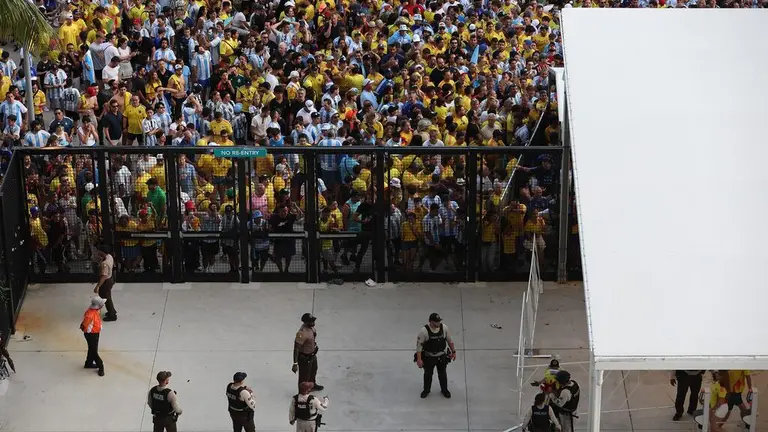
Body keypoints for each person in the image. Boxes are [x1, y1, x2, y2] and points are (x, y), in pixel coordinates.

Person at [415, 312, 456, 398]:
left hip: (441, 356)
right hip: (429, 357)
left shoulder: (444, 328)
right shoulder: (424, 331)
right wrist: (419, 359)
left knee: (443, 374)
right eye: (436, 322)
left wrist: (453, 352)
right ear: (431, 321)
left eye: (439, 321)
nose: (438, 323)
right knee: (428, 375)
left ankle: (445, 390)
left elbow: (450, 341)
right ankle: (426, 390)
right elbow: (419, 347)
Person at [293, 313, 324, 393]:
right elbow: (296, 348)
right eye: (311, 321)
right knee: (304, 377)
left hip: (312, 355)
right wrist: (295, 363)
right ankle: (302, 393)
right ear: (306, 322)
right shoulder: (302, 333)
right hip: (305, 358)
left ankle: (312, 385)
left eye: (313, 320)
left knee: (313, 371)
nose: (313, 322)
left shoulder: (312, 328)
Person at [80, 296, 106, 376]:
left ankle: (89, 363)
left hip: (94, 333)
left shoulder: (94, 311)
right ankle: (100, 366)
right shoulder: (90, 315)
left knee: (91, 349)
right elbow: (84, 326)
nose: (103, 305)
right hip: (92, 335)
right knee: (94, 351)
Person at [93, 244, 117, 321]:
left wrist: (97, 286)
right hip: (111, 278)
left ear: (102, 252)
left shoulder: (104, 264)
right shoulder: (109, 256)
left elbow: (103, 276)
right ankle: (112, 311)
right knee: (107, 296)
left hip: (106, 281)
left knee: (106, 297)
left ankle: (112, 314)